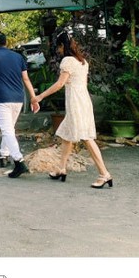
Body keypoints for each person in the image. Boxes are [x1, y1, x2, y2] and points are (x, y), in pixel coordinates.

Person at [32, 31, 113, 189]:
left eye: (59, 47)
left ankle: (104, 174)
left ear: (63, 46)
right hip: (83, 100)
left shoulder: (67, 61)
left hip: (76, 102)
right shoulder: (82, 61)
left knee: (86, 137)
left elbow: (60, 84)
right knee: (67, 135)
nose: (58, 51)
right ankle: (61, 169)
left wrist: (40, 96)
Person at [0, 31, 38, 178]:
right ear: (6, 42)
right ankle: (3, 155)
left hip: (2, 98)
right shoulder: (18, 57)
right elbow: (26, 79)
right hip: (18, 98)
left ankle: (19, 161)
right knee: (9, 128)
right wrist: (33, 98)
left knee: (7, 131)